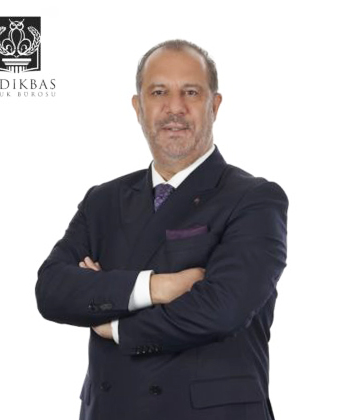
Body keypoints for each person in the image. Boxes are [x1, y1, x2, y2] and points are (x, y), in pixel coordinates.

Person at [35, 39, 288, 420]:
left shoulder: (254, 199)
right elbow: (52, 290)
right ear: (138, 108)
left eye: (191, 92)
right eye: (158, 93)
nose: (175, 108)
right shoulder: (102, 200)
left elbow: (223, 309)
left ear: (214, 105)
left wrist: (113, 325)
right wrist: (157, 287)